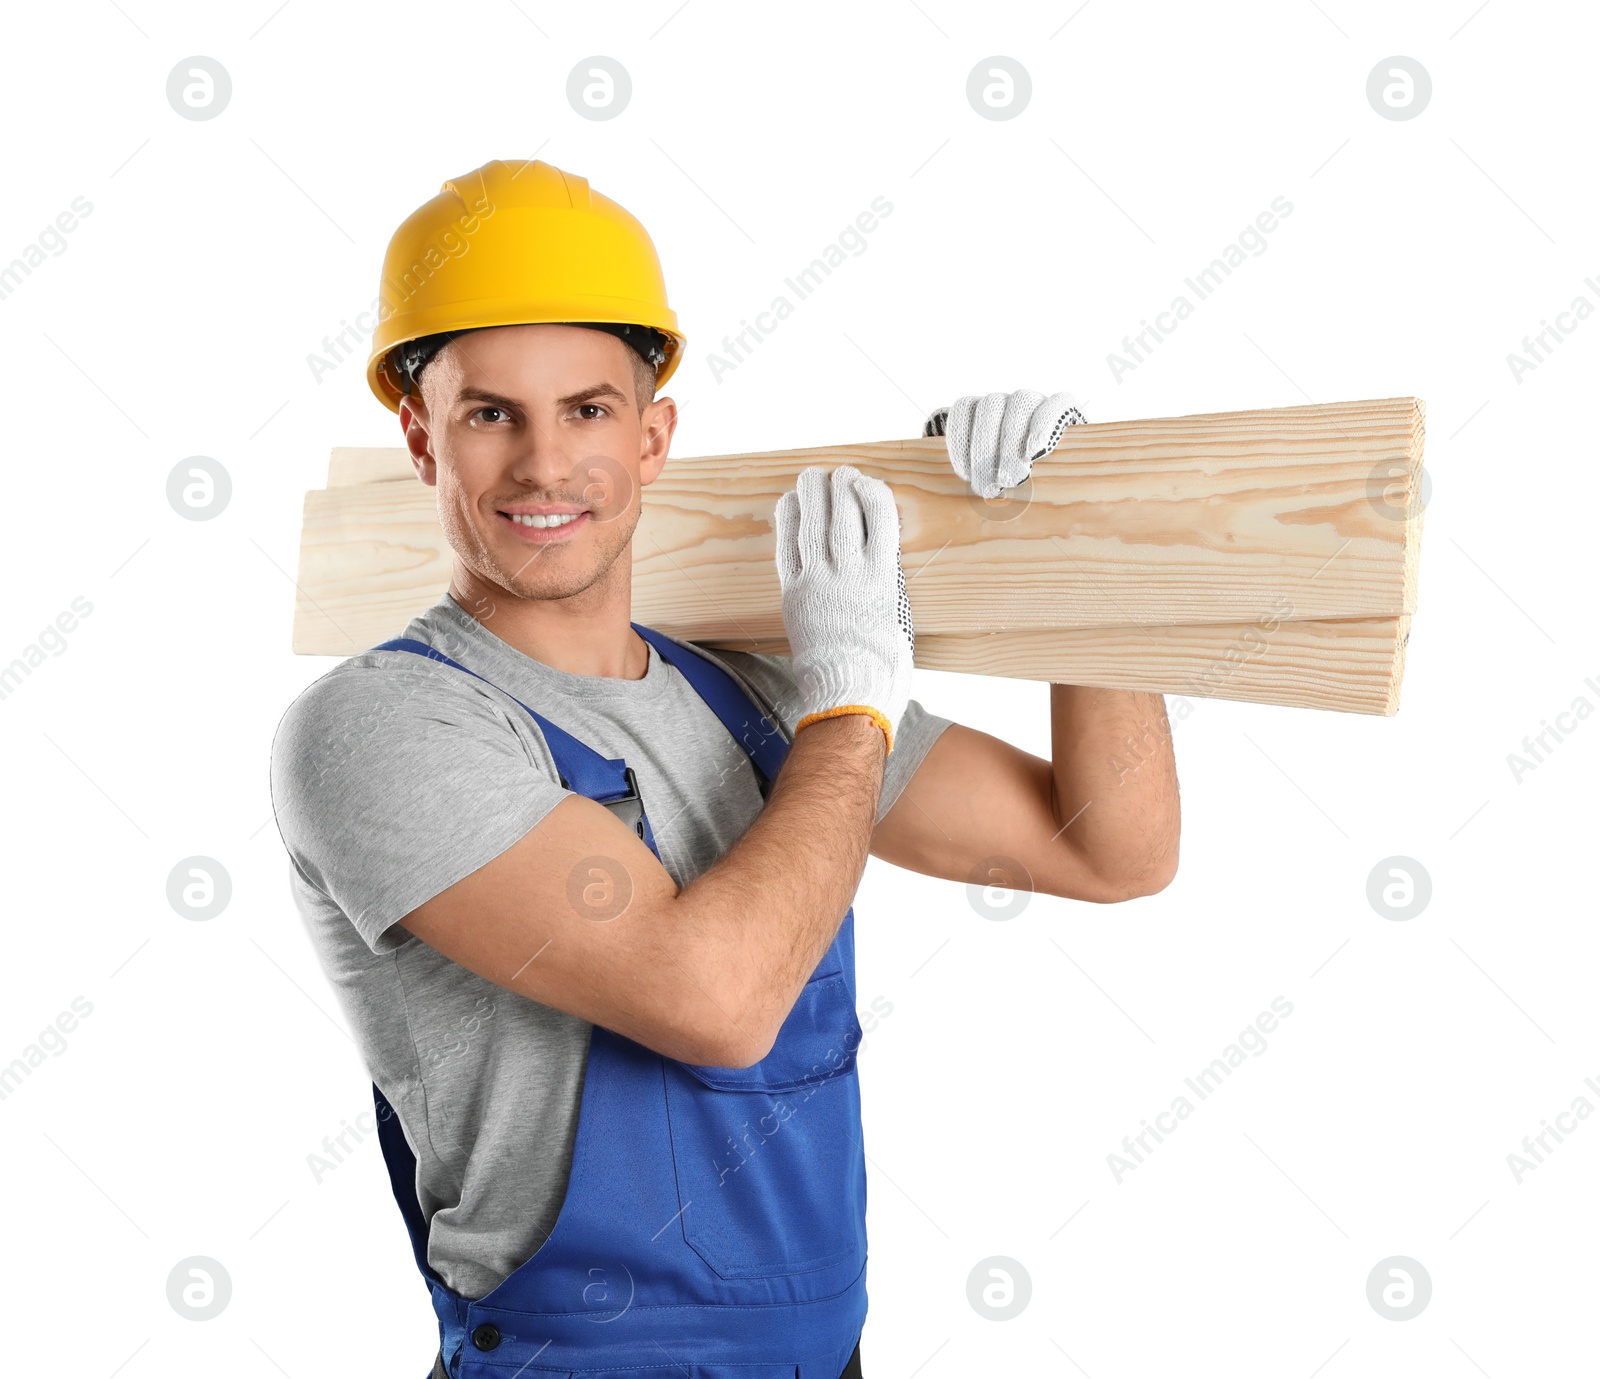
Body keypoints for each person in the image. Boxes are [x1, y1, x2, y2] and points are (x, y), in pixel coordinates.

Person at [269, 158, 1179, 1379]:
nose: (546, 463)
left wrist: (1074, 545)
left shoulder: (754, 697)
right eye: (492, 413)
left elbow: (1111, 847)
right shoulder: (385, 725)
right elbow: (716, 1003)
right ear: (420, 438)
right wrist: (853, 697)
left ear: (654, 437)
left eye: (588, 408)